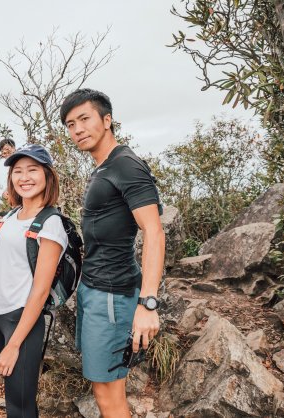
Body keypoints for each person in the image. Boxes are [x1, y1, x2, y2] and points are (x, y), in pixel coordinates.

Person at [60, 88, 165, 418]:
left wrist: (148, 303)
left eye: (84, 119)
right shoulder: (104, 166)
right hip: (95, 289)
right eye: (70, 123)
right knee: (101, 385)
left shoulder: (127, 165)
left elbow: (154, 231)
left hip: (112, 294)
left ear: (107, 120)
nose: (77, 129)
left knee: (109, 393)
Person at [0, 145, 68, 418]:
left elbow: (40, 292)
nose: (24, 177)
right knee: (12, 393)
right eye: (18, 171)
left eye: (32, 170)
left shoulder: (51, 223)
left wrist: (14, 344)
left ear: (47, 176)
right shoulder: (10, 216)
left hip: (22, 320)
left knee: (20, 405)